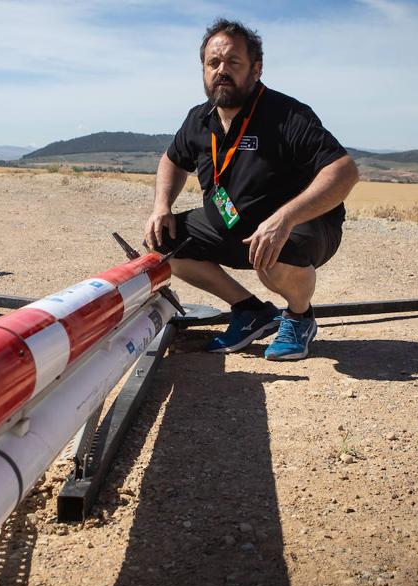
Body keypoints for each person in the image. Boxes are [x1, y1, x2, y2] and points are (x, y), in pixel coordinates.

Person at [144, 18, 359, 361]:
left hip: (299, 229)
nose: (221, 71)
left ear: (256, 69)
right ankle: (250, 311)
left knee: (274, 255)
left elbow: (344, 171)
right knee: (164, 244)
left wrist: (285, 219)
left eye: (233, 62)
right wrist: (161, 207)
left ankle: (299, 317)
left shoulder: (287, 115)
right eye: (213, 63)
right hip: (231, 226)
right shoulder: (199, 119)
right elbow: (172, 160)